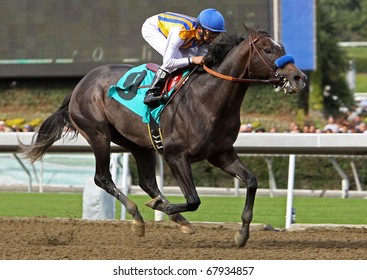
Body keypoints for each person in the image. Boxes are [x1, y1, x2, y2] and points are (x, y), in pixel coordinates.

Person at [141, 8, 226, 107]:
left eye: (216, 35)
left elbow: (202, 59)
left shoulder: (203, 35)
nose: (212, 39)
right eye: (210, 34)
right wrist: (193, 59)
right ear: (200, 29)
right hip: (154, 28)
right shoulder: (181, 32)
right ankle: (151, 93)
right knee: (178, 59)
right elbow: (169, 62)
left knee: (191, 61)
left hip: (181, 37)